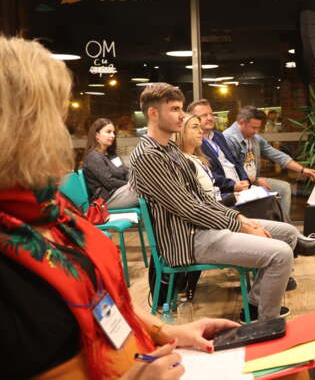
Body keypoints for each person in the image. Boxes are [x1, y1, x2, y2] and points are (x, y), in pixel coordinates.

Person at [0, 35, 239, 379]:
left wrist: (166, 331)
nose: (61, 133)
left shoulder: (52, 209)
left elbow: (101, 299)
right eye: (53, 116)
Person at [129, 83, 297, 322]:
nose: (182, 115)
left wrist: (239, 218)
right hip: (187, 240)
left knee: (287, 234)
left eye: (181, 108)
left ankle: (253, 306)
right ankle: (265, 323)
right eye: (175, 109)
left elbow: (203, 198)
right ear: (153, 113)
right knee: (280, 254)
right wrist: (240, 225)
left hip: (204, 228)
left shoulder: (170, 150)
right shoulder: (148, 156)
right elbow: (189, 208)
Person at [187, 100, 315, 254]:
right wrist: (237, 185)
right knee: (269, 200)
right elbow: (209, 175)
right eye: (203, 116)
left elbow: (236, 162)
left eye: (211, 114)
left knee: (279, 191)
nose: (209, 118)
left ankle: (291, 239)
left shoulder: (218, 136)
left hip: (244, 183)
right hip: (228, 191)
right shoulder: (205, 141)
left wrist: (246, 180)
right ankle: (290, 241)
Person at [223, 106, 315, 220]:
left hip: (253, 180)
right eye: (253, 128)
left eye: (258, 128)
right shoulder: (228, 138)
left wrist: (302, 170)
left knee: (283, 188)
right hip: (238, 186)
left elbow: (276, 154)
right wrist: (255, 180)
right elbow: (233, 171)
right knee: (267, 198)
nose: (256, 131)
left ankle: (283, 225)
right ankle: (281, 226)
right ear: (241, 122)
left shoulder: (254, 138)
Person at [83, 118, 138, 209]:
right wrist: (131, 184)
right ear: (97, 135)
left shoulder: (112, 155)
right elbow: (109, 182)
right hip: (106, 199)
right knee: (145, 189)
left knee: (147, 187)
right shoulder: (94, 157)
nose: (113, 135)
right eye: (108, 132)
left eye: (113, 132)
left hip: (120, 191)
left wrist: (132, 182)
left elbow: (125, 171)